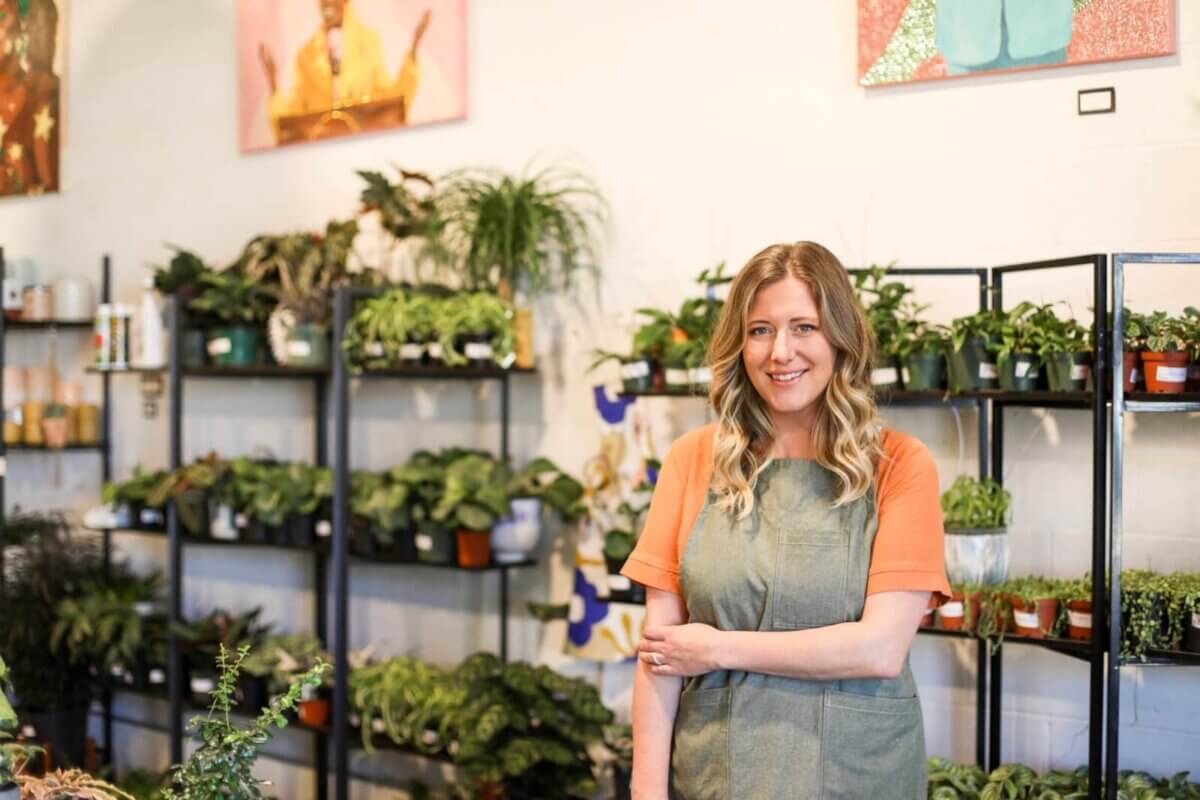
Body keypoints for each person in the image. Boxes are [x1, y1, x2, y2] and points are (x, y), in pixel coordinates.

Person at [621, 241, 950, 799]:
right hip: (716, 774)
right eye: (760, 330)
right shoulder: (693, 460)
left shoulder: (900, 466)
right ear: (738, 345)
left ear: (839, 339)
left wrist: (720, 649)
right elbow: (661, 657)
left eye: (804, 327)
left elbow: (879, 649)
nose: (781, 352)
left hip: (854, 776)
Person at [258, 0, 430, 140]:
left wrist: (414, 49)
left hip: (364, 142)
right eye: (323, 3)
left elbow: (389, 103)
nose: (327, 6)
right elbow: (291, 123)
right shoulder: (306, 55)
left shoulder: (368, 41)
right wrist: (272, 82)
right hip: (320, 153)